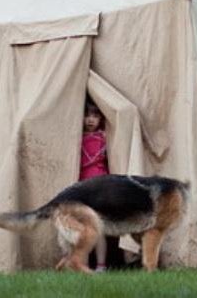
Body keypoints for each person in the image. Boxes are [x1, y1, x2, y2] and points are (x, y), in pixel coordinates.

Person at [79, 98, 109, 271]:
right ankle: (81, 264)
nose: (90, 119)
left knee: (98, 227)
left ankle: (101, 265)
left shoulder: (104, 137)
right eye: (87, 115)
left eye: (95, 116)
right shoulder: (77, 137)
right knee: (83, 227)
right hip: (82, 186)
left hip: (100, 186)